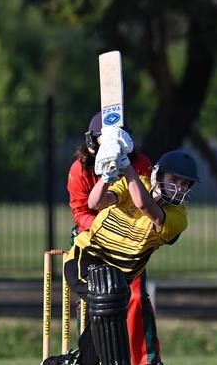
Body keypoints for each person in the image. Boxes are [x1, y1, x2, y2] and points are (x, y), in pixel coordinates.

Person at [47, 145, 199, 365]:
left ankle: (75, 362)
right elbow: (94, 203)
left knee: (108, 311)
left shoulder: (179, 217)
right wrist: (107, 176)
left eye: (185, 184)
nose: (179, 188)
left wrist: (126, 164)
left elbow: (145, 205)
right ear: (158, 173)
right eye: (174, 180)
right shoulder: (136, 183)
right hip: (87, 256)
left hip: (117, 282)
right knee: (109, 297)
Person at [56, 113, 159, 365]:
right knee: (98, 299)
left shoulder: (139, 163)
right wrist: (102, 228)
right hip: (91, 241)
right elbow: (82, 210)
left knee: (134, 297)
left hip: (128, 243)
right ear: (92, 142)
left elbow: (147, 203)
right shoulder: (80, 169)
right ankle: (90, 359)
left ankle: (146, 361)